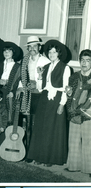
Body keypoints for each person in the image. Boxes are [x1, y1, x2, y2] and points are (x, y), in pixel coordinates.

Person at [27, 39, 71, 167]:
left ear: (59, 54)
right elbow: (41, 88)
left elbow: (66, 88)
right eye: (50, 52)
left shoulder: (65, 68)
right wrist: (40, 76)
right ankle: (39, 156)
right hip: (44, 98)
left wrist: (62, 104)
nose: (51, 54)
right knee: (41, 127)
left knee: (52, 128)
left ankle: (49, 158)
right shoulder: (45, 67)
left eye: (54, 52)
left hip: (56, 99)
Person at [15, 36, 50, 157]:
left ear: (39, 47)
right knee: (28, 124)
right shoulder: (25, 60)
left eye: (35, 46)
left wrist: (37, 84)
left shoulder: (46, 61)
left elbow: (49, 81)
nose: (32, 48)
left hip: (39, 95)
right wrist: (20, 87)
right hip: (27, 94)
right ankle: (28, 151)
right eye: (30, 46)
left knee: (37, 124)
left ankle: (37, 151)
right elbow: (22, 76)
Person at [65, 49, 91, 176]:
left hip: (89, 113)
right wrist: (69, 93)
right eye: (82, 60)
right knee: (73, 139)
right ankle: (73, 166)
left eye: (88, 61)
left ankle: (89, 168)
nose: (84, 63)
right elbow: (69, 95)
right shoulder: (74, 76)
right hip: (74, 111)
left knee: (89, 141)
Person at [0, 41, 23, 123]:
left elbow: (19, 82)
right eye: (5, 51)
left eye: (9, 51)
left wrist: (13, 91)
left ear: (13, 53)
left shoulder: (18, 67)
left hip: (9, 93)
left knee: (8, 115)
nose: (6, 53)